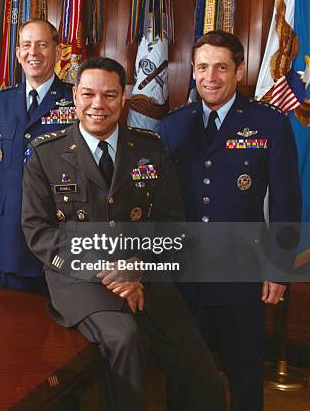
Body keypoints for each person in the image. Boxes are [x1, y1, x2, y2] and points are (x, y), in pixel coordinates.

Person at [22, 57, 225, 411]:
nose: (98, 105)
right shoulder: (46, 154)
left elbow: (169, 223)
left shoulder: (151, 148)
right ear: (74, 95)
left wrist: (136, 267)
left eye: (109, 95)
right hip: (79, 279)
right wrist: (107, 269)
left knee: (199, 365)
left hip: (144, 276)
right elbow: (39, 231)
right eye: (88, 94)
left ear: (123, 98)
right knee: (125, 340)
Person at [159, 30, 301, 411]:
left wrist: (279, 268)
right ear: (192, 70)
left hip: (241, 273)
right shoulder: (173, 125)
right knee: (183, 372)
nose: (210, 77)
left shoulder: (269, 124)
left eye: (221, 67)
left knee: (244, 373)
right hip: (183, 273)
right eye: (203, 67)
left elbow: (287, 202)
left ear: (239, 71)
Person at [0, 19, 74, 291]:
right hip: (9, 237)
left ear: (57, 52)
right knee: (10, 326)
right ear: (18, 53)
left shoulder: (76, 99)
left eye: (42, 45)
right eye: (27, 45)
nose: (34, 53)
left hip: (59, 237)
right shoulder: (1, 102)